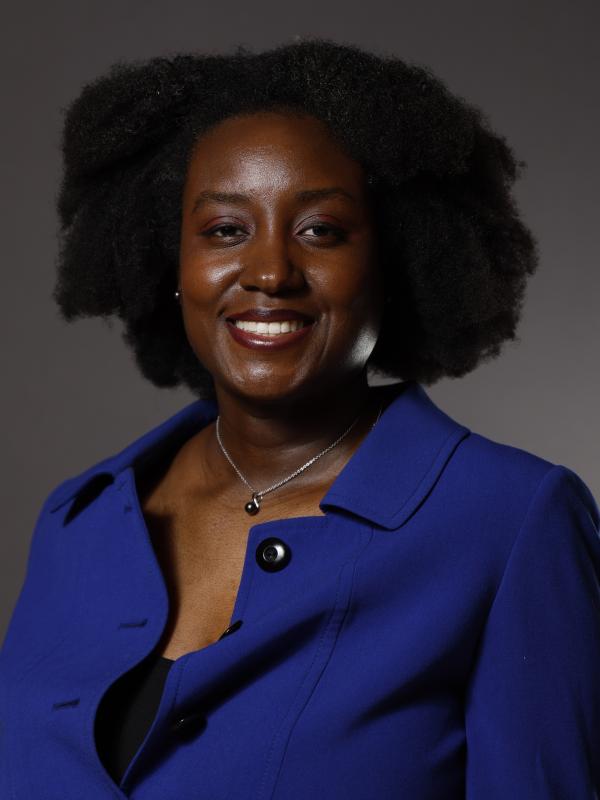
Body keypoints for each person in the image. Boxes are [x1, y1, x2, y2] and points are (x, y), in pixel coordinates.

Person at [1, 37, 598, 799]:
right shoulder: (77, 523)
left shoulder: (512, 523)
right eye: (224, 230)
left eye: (321, 231)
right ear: (171, 264)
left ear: (393, 262)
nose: (270, 272)